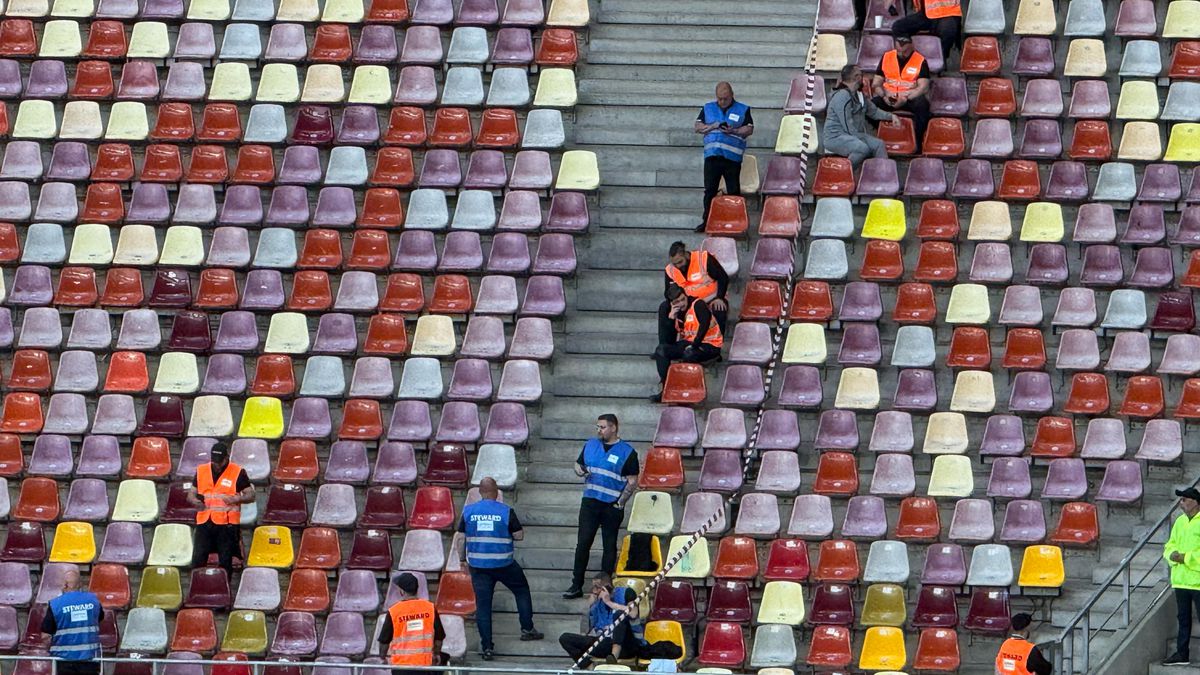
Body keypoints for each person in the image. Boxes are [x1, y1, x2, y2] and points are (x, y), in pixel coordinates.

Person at [458, 477, 544, 660]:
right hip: (504, 564)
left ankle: (487, 648)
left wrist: (462, 560)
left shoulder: (468, 511)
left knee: (483, 606)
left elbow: (460, 538)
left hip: (478, 566)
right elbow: (519, 535)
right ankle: (527, 629)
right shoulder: (506, 511)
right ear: (496, 492)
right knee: (521, 590)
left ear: (480, 492)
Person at [562, 414, 639, 599]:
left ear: (613, 428)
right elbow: (578, 465)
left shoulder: (627, 452)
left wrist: (620, 503)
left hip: (611, 505)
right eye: (597, 427)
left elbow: (632, 481)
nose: (599, 430)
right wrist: (579, 470)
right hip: (590, 501)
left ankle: (606, 587)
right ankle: (576, 584)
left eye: (602, 427)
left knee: (609, 546)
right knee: (583, 543)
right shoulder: (590, 444)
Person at [187, 442, 254, 579]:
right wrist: (194, 501)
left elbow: (251, 495)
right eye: (214, 461)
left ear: (226, 458)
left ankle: (224, 587)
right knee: (198, 559)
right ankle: (198, 586)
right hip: (205, 521)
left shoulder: (237, 472)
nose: (216, 464)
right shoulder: (202, 470)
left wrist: (236, 499)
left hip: (227, 524)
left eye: (219, 461)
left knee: (225, 561)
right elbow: (191, 494)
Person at [695, 81, 754, 230]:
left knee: (733, 191)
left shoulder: (742, 109)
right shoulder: (708, 108)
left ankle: (735, 221)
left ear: (732, 95)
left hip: (732, 158)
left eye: (725, 99)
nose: (722, 101)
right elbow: (698, 126)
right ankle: (707, 221)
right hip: (712, 156)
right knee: (710, 191)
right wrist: (712, 126)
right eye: (719, 98)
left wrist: (734, 130)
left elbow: (749, 129)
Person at [650, 285, 723, 402]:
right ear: (672, 304)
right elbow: (669, 340)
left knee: (689, 353)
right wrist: (671, 318)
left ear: (686, 295)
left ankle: (687, 391)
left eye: (682, 299)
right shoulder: (676, 313)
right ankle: (666, 388)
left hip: (710, 344)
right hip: (689, 342)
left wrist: (694, 345)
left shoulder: (698, 304)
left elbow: (704, 326)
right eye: (677, 302)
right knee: (661, 350)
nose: (681, 303)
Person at [559, 574, 644, 668]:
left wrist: (609, 603)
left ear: (608, 587)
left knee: (619, 614)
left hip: (626, 645)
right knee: (565, 638)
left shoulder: (626, 592)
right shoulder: (597, 603)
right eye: (593, 587)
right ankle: (589, 667)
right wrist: (588, 606)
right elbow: (584, 631)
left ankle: (614, 655)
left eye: (597, 587)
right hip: (604, 642)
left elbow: (633, 613)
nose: (594, 590)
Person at [824, 64, 898, 169]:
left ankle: (882, 175)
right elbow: (848, 126)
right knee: (861, 148)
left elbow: (874, 112)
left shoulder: (859, 95)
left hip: (854, 135)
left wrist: (891, 116)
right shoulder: (842, 95)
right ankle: (843, 173)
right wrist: (861, 139)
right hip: (835, 137)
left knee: (879, 144)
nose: (862, 78)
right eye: (861, 75)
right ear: (857, 77)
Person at [870, 36, 932, 153]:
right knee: (871, 106)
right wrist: (884, 96)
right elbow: (876, 84)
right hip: (889, 96)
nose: (902, 54)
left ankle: (917, 142)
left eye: (905, 51)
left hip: (909, 97)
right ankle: (884, 132)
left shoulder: (920, 60)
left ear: (912, 46)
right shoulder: (887, 57)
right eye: (899, 51)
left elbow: (923, 87)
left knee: (923, 105)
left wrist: (905, 98)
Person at [660, 240, 729, 340]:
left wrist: (720, 297)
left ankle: (715, 345)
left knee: (719, 308)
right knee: (664, 307)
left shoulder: (703, 258)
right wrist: (675, 303)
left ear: (686, 254)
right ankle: (666, 345)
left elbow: (723, 277)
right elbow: (667, 293)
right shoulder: (670, 270)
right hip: (687, 303)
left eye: (680, 262)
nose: (678, 266)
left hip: (710, 299)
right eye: (675, 264)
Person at [378, 572, 444, 672]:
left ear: (401, 591)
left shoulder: (394, 612)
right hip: (425, 666)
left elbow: (384, 641)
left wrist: (382, 658)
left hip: (401, 667)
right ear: (417, 589)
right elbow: (439, 637)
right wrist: (437, 653)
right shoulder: (430, 608)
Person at [41, 568, 102, 675]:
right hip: (90, 659)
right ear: (80, 584)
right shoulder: (93, 600)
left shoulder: (56, 604)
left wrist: (49, 649)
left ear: (65, 585)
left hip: (64, 660)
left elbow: (45, 636)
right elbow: (99, 618)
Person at [1164, 487, 1200, 665]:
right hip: (1181, 581)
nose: (1181, 503)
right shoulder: (1180, 521)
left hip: (1198, 581)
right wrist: (1171, 555)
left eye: (1185, 499)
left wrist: (1185, 558)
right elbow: (1170, 545)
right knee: (1183, 619)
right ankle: (1182, 653)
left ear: (1196, 502)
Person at [890, 0, 962, 67]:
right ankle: (908, 59)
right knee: (899, 27)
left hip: (948, 12)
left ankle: (941, 61)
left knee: (947, 31)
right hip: (928, 12)